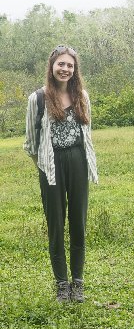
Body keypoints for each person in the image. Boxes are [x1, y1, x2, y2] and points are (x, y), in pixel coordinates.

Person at [23, 45, 98, 303]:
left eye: (70, 65)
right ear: (52, 66)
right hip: (50, 164)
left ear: (75, 69)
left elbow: (86, 134)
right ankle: (61, 285)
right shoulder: (38, 98)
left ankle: (77, 283)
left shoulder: (82, 96)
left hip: (78, 161)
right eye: (61, 64)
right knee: (56, 225)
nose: (65, 69)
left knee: (78, 223)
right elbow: (30, 143)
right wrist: (44, 165)